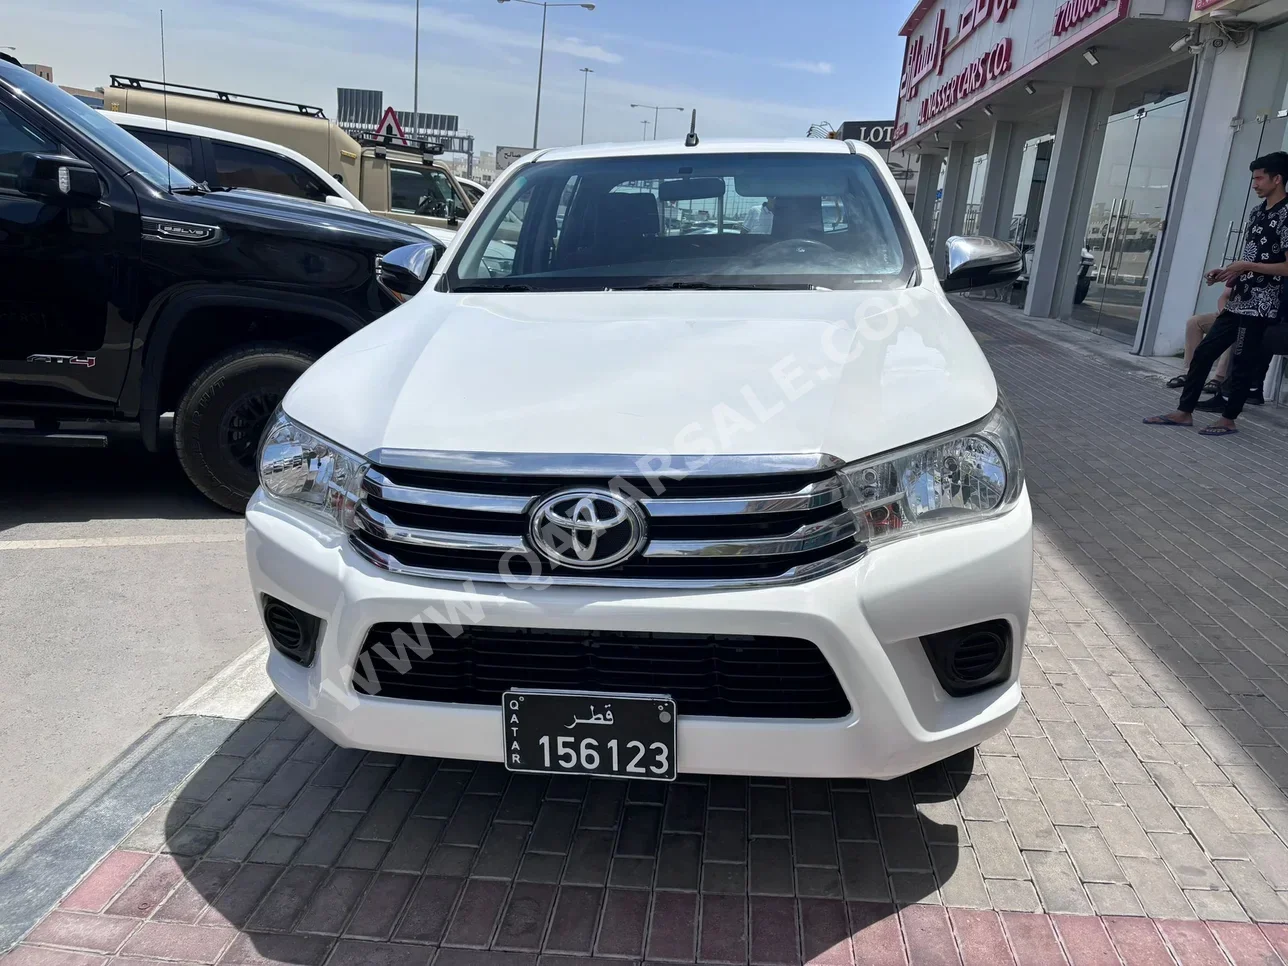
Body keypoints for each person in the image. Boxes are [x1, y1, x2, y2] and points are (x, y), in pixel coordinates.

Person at [1145, 151, 1288, 437]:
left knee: (1243, 360)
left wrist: (1246, 265)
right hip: (1240, 299)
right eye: (1253, 178)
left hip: (1262, 305)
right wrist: (1227, 273)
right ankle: (1184, 412)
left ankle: (1229, 419)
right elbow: (1252, 255)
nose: (1254, 184)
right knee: (1204, 351)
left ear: (1277, 178)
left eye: (1259, 178)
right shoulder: (1258, 212)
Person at [1166, 283, 1233, 391]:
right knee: (1194, 322)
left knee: (1233, 329)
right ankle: (1191, 372)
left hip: (1247, 318)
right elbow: (1224, 296)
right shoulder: (1237, 271)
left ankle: (1219, 378)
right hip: (1227, 313)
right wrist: (1223, 313)